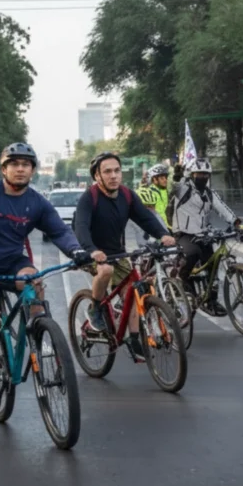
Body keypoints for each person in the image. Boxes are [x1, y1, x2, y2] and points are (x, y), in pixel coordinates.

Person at [0, 142, 88, 420]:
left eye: (26, 164)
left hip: (14, 261)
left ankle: (41, 334)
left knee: (35, 282)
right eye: (14, 164)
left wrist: (76, 251)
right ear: (3, 169)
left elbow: (59, 230)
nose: (20, 169)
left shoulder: (36, 202)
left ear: (33, 170)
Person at [74, 152, 175, 360]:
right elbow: (81, 227)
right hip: (91, 251)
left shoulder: (127, 195)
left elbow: (145, 218)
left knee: (133, 289)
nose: (113, 176)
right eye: (107, 172)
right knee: (105, 270)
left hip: (117, 252)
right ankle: (95, 309)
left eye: (117, 171)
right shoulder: (89, 197)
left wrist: (163, 234)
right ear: (97, 176)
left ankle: (134, 338)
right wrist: (92, 250)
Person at [167, 158, 239, 316]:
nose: (203, 177)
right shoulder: (183, 189)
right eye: (199, 174)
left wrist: (236, 222)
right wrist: (177, 175)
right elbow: (172, 186)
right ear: (192, 174)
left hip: (203, 234)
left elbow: (222, 208)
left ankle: (211, 300)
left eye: (206, 174)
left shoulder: (209, 193)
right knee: (193, 253)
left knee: (214, 262)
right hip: (183, 233)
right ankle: (181, 282)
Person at [136, 163, 170, 229]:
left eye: (166, 177)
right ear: (154, 179)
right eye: (162, 178)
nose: (165, 180)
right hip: (156, 227)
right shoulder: (150, 192)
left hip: (166, 227)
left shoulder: (164, 191)